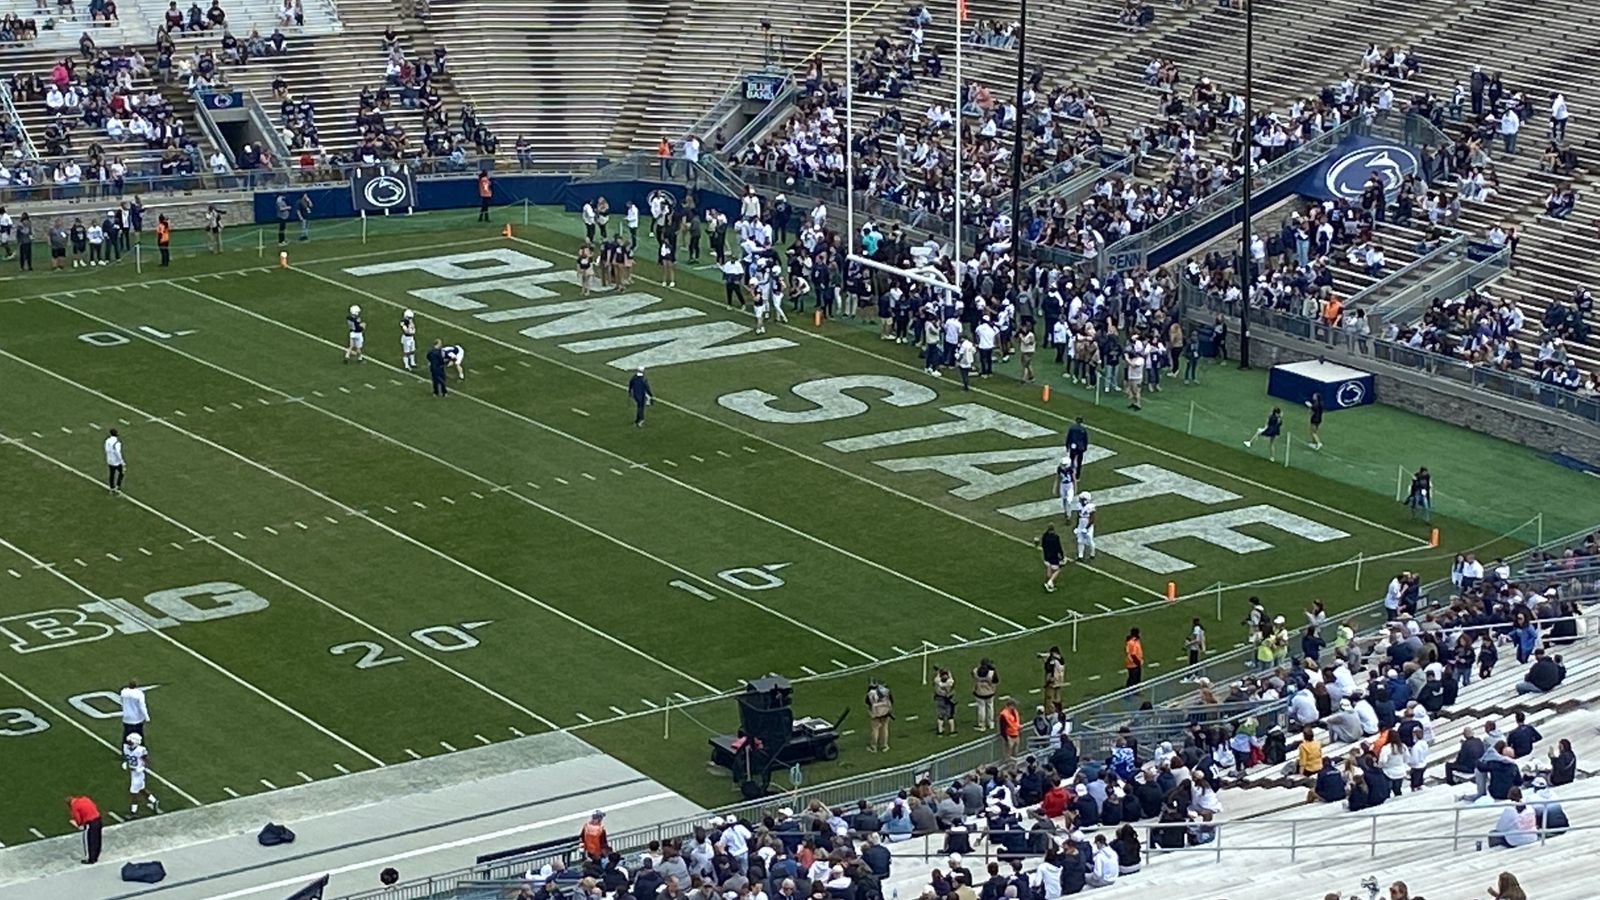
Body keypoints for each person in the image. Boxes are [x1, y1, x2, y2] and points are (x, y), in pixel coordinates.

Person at [121, 732, 160, 816]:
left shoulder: (140, 750)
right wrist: (124, 762)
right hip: (133, 772)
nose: (128, 743)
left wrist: (143, 768)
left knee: (133, 792)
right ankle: (154, 801)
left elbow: (147, 761)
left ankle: (133, 812)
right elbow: (127, 756)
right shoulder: (126, 747)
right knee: (141, 789)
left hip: (138, 774)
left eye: (130, 742)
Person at [69, 795, 102, 864]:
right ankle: (96, 856)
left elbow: (78, 819)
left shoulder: (74, 806)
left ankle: (90, 859)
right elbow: (94, 806)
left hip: (91, 823)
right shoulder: (85, 799)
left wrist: (77, 823)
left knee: (90, 841)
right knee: (97, 839)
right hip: (98, 818)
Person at [866, 679, 894, 752]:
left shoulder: (871, 693)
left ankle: (873, 747)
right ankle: (884, 746)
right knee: (884, 727)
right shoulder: (886, 690)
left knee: (875, 729)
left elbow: (867, 702)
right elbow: (891, 700)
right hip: (885, 712)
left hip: (875, 713)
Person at [973, 658, 999, 731]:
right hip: (990, 692)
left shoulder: (975, 671)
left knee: (981, 709)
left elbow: (973, 675)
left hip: (979, 692)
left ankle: (981, 725)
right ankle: (991, 723)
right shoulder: (991, 673)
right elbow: (996, 681)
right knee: (990, 707)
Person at [1038, 525, 1065, 593]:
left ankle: (1048, 583)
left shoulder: (1045, 536)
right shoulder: (1055, 537)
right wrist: (1062, 556)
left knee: (1049, 568)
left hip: (1046, 555)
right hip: (1053, 556)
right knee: (1057, 570)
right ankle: (1050, 582)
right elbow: (1058, 547)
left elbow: (1043, 545)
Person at [932, 667, 957, 734]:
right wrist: (948, 672)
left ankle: (940, 731)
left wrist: (938, 672)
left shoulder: (937, 682)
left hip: (939, 699)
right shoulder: (950, 682)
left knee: (940, 716)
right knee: (950, 716)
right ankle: (952, 731)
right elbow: (951, 678)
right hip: (949, 700)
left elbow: (937, 679)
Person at [1074, 492, 1096, 561]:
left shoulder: (1090, 507)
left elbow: (1092, 519)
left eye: (1082, 499)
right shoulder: (1079, 506)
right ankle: (1080, 556)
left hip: (1088, 525)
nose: (1080, 500)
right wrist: (1077, 526)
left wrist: (1087, 528)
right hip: (1081, 524)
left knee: (1089, 539)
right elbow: (1078, 516)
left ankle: (1092, 554)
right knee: (1080, 541)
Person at [1055, 455, 1077, 521]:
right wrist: (1055, 488)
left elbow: (1074, 479)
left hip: (1069, 485)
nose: (1062, 466)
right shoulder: (1059, 469)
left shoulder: (1070, 469)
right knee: (1064, 500)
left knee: (1069, 500)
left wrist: (1075, 488)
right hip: (1063, 485)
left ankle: (1069, 515)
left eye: (1064, 465)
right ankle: (1066, 512)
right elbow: (1057, 478)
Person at [104, 428, 125, 495]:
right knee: (122, 472)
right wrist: (121, 461)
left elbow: (106, 449)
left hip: (109, 460)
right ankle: (118, 486)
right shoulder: (117, 443)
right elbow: (118, 453)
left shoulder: (107, 441)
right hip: (116, 461)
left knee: (112, 474)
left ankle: (112, 488)